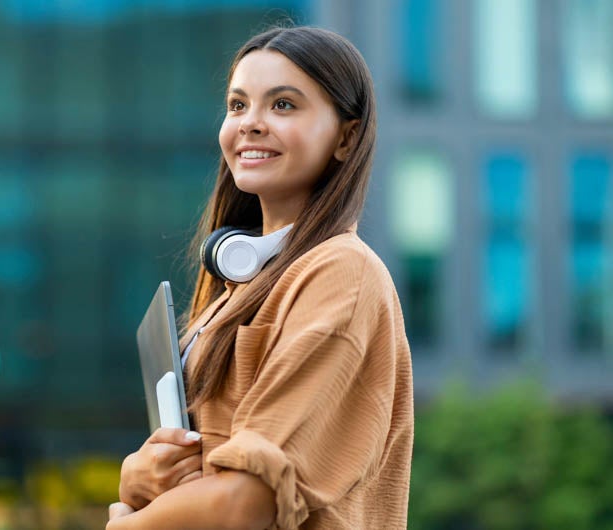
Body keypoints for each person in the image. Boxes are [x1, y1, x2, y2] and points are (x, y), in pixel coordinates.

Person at [106, 25, 414, 530]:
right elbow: (205, 469)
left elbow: (246, 501)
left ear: (346, 136)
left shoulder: (341, 273)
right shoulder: (240, 283)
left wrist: (128, 524)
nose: (250, 124)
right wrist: (139, 477)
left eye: (283, 105)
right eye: (237, 105)